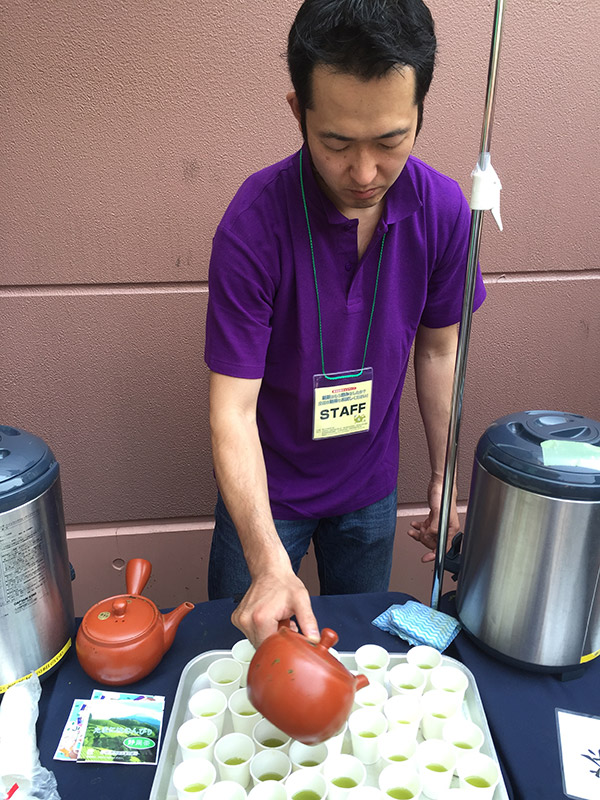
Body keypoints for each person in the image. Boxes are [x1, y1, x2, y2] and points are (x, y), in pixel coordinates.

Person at [204, 0, 486, 647]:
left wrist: (444, 477)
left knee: (360, 646)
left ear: (419, 112)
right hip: (266, 488)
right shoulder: (254, 223)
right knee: (238, 648)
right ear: (298, 111)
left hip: (367, 484)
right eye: (336, 143)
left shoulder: (443, 210)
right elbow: (231, 411)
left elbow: (439, 353)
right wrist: (268, 559)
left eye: (390, 142)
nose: (364, 174)